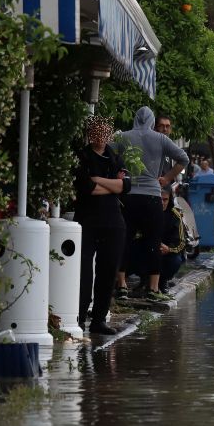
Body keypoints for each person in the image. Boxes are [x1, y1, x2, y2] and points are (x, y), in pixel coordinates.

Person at [116, 106, 189, 302]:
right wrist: (166, 178)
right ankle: (153, 288)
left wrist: (118, 175)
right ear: (152, 121)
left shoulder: (123, 137)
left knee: (124, 240)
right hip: (152, 197)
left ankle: (121, 285)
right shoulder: (160, 139)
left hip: (128, 195)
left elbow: (110, 155)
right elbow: (184, 159)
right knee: (153, 241)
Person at [73, 115, 130, 335]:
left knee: (108, 272)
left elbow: (126, 186)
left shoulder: (115, 157)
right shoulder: (82, 157)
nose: (100, 135)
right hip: (87, 219)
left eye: (105, 131)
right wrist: (111, 185)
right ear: (90, 133)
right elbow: (86, 188)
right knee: (84, 272)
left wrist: (98, 179)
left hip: (113, 221)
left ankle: (99, 319)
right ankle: (78, 317)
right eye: (96, 130)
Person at [158, 184, 188, 289]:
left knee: (175, 260)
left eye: (165, 200)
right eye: (159, 199)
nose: (162, 203)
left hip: (167, 251)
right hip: (149, 249)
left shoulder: (175, 215)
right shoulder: (147, 213)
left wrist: (169, 249)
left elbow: (181, 242)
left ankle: (163, 280)